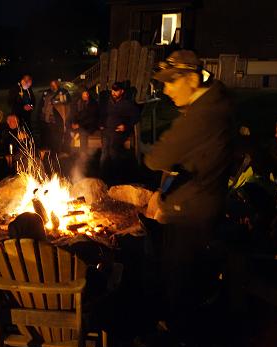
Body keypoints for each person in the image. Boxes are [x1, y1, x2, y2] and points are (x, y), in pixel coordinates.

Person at [144, 50, 233, 331]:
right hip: (199, 205)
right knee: (189, 278)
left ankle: (179, 338)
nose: (166, 89)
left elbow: (156, 157)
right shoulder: (212, 102)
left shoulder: (202, 115)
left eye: (172, 81)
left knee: (179, 282)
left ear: (192, 79)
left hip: (190, 215)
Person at [99, 82, 140, 183]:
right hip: (106, 130)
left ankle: (116, 178)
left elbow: (136, 117)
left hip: (118, 131)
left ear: (122, 91)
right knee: (104, 152)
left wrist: (125, 126)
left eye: (116, 91)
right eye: (113, 90)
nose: (114, 92)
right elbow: (101, 114)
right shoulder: (107, 102)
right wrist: (101, 123)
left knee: (113, 151)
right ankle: (102, 177)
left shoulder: (127, 104)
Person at [38, 80, 71, 156]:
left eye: (54, 85)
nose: (52, 86)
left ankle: (56, 154)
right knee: (48, 138)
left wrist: (56, 101)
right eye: (51, 85)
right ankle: (49, 155)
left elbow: (67, 100)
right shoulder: (47, 92)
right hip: (46, 119)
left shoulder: (63, 91)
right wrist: (41, 115)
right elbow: (42, 104)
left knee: (57, 138)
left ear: (57, 85)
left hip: (57, 119)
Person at [68, 90, 98, 154]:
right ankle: (69, 153)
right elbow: (73, 114)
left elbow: (91, 119)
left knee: (83, 132)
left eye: (87, 94)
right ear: (81, 95)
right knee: (68, 131)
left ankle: (83, 155)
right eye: (84, 94)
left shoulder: (93, 103)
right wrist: (73, 123)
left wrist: (79, 125)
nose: (86, 96)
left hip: (88, 125)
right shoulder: (77, 102)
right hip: (78, 124)